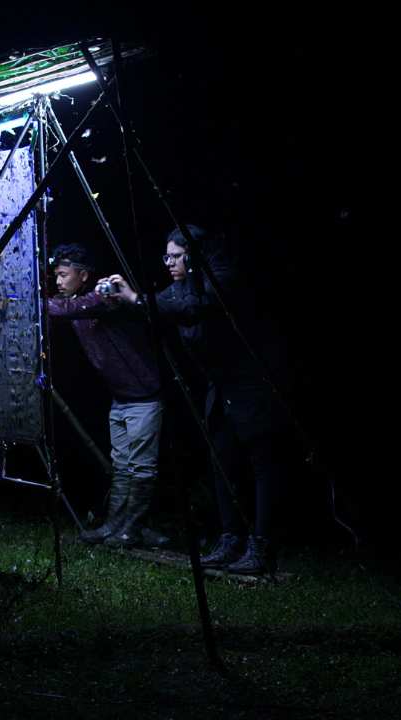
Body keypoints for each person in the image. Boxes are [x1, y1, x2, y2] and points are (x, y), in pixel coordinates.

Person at [104, 225, 280, 574]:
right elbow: (158, 308)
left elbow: (192, 306)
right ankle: (230, 539)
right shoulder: (179, 288)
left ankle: (262, 546)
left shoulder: (221, 279)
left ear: (194, 256)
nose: (168, 262)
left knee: (262, 466)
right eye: (166, 256)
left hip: (252, 385)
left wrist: (137, 299)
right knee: (222, 462)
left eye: (176, 256)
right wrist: (120, 298)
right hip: (220, 388)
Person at [47, 243, 168, 548]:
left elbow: (71, 309)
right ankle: (117, 524)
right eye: (56, 276)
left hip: (143, 394)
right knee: (123, 464)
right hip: (121, 396)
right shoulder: (78, 301)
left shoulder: (106, 296)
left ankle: (133, 527)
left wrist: (29, 302)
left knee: (141, 465)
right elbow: (67, 308)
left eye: (63, 275)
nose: (58, 282)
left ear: (83, 275)